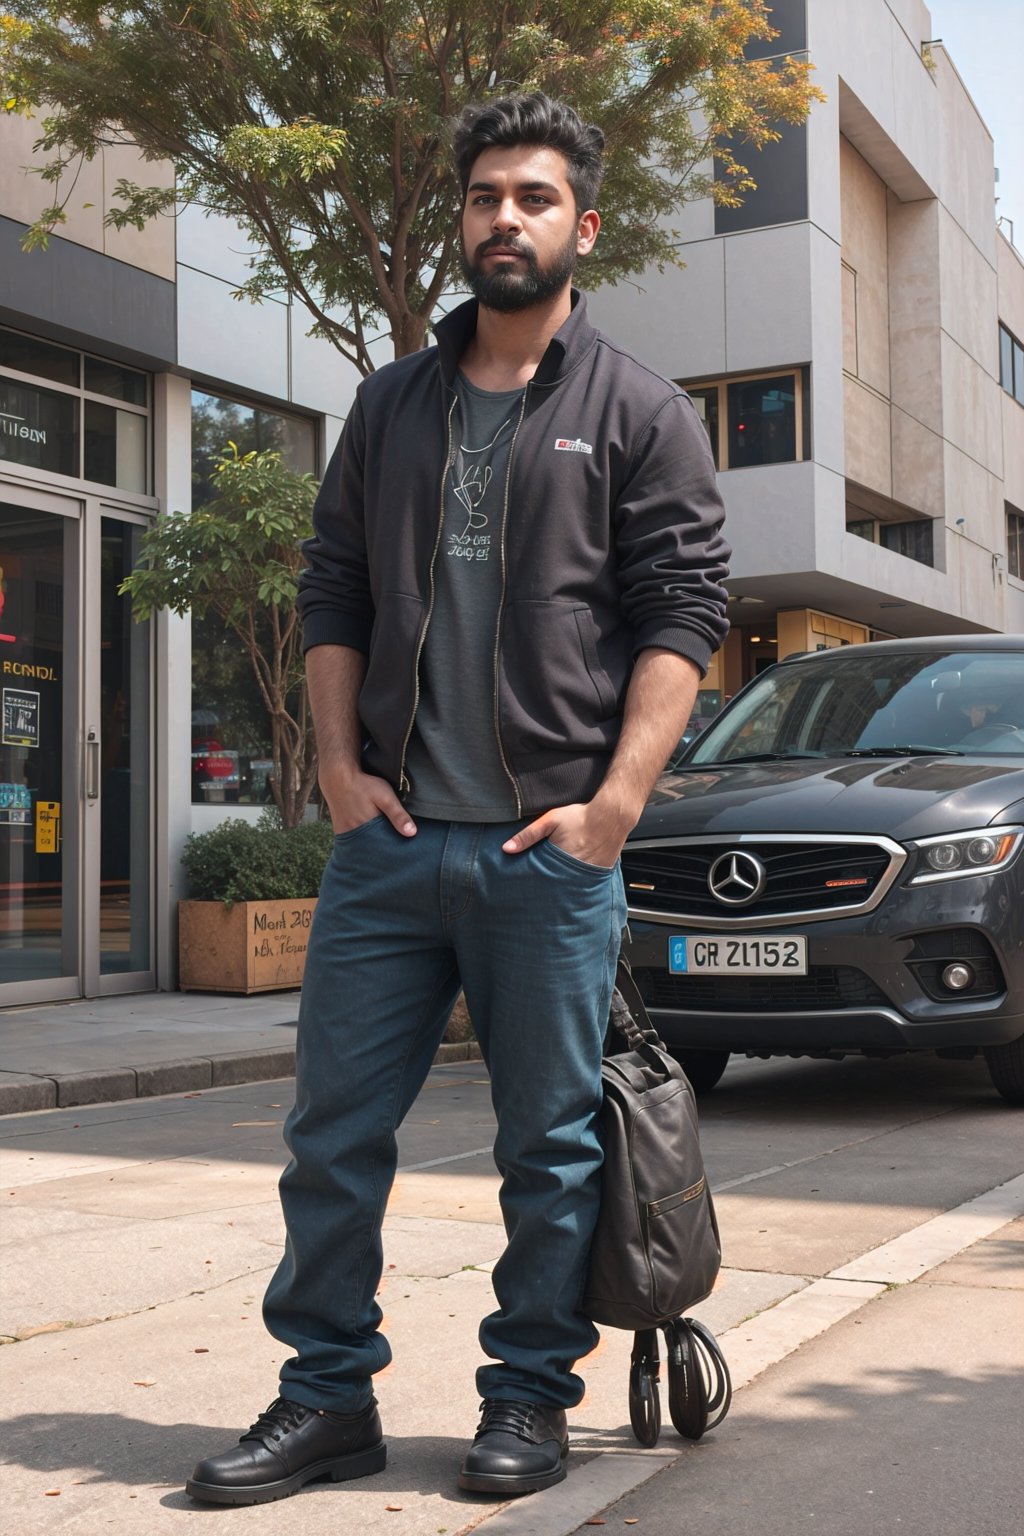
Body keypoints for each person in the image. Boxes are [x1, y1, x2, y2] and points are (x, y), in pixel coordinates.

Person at [186, 91, 730, 1508]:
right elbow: (334, 591)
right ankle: (324, 1401)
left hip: (550, 850)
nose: (506, 217)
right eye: (487, 195)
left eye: (534, 197)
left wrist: (615, 804)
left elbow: (683, 615)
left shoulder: (639, 414)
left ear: (581, 226)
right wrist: (339, 772)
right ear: (466, 219)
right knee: (330, 1135)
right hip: (390, 846)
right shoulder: (393, 405)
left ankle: (527, 1398)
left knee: (547, 1147)